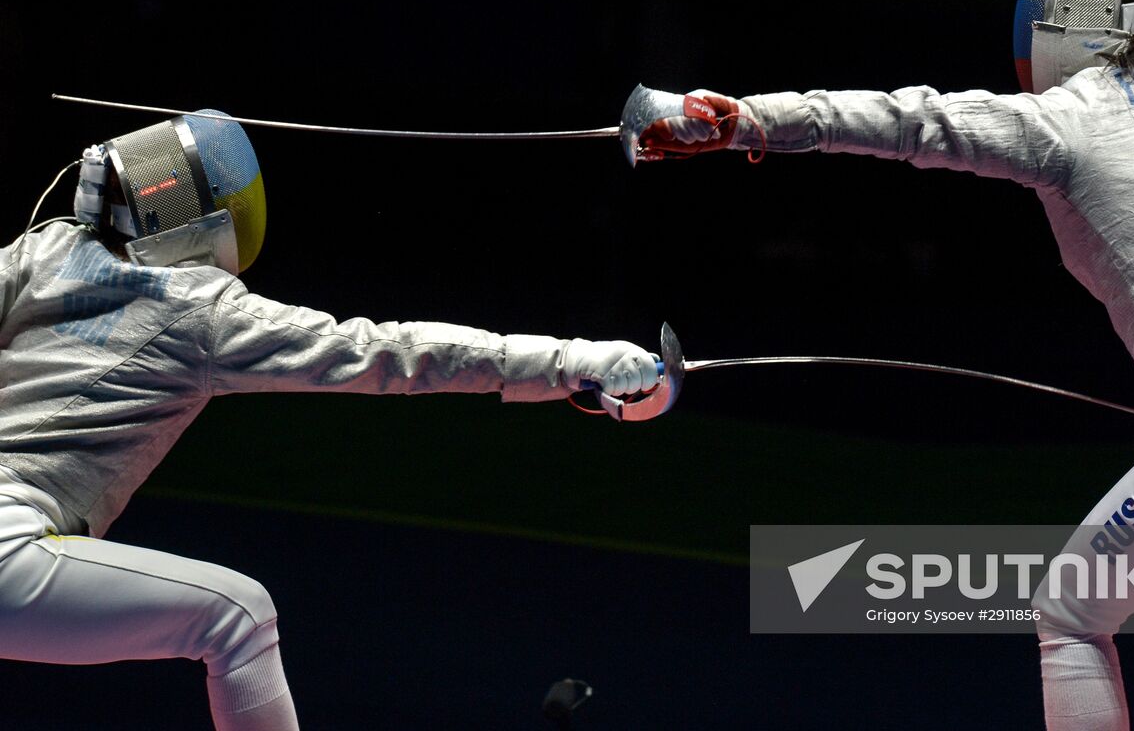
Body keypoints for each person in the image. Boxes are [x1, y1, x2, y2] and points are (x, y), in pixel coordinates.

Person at [638, 0, 1134, 730]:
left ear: (1065, 27)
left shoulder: (1070, 119)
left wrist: (749, 121)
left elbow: (910, 120)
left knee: (1072, 614)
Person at [0, 111, 659, 731]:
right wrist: (572, 361)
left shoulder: (47, 249)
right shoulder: (200, 309)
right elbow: (386, 352)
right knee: (238, 620)